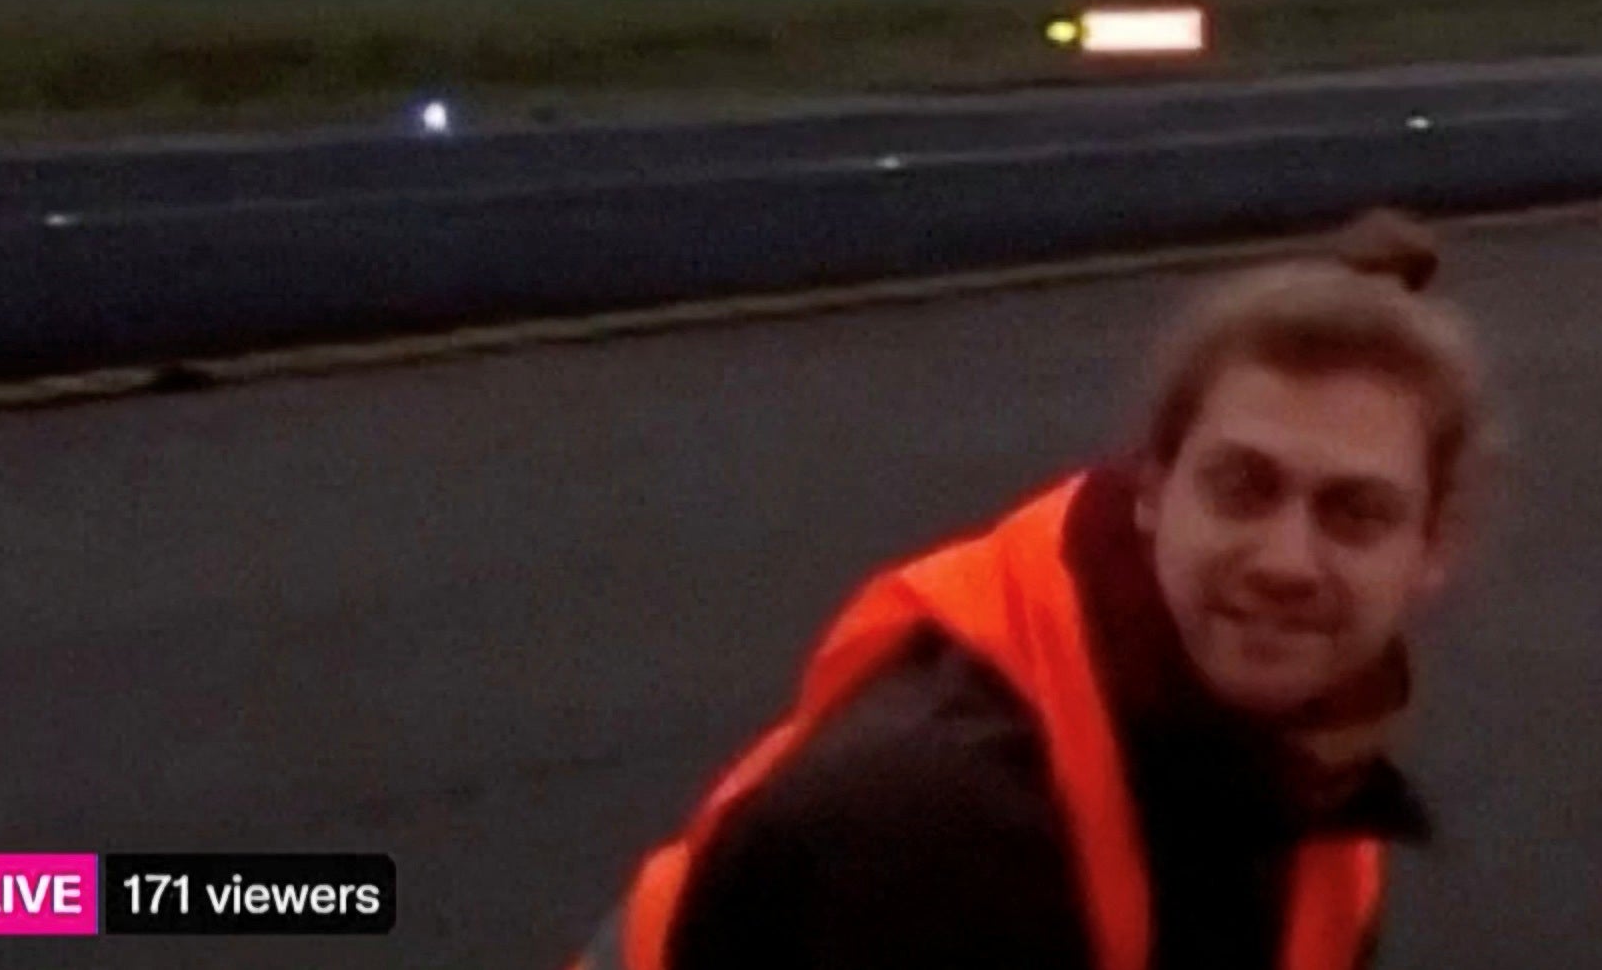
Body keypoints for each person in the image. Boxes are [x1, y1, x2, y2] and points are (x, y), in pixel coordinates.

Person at [570, 213, 1485, 970]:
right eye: (1242, 489)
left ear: (1431, 547)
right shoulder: (932, 826)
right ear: (1152, 493)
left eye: (1355, 513)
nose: (1286, 559)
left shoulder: (1300, 769)